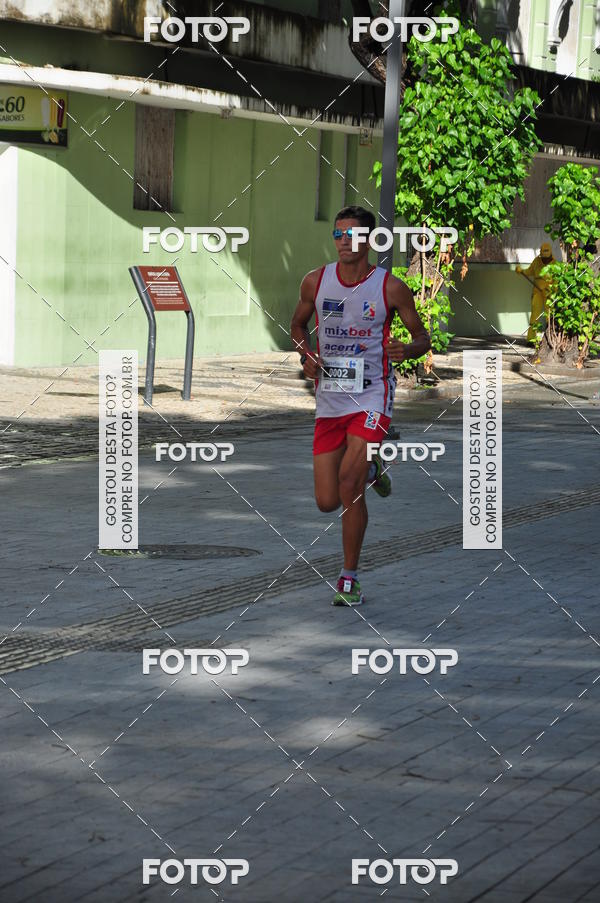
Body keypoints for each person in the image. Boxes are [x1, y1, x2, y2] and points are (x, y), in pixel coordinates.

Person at [290, 206, 431, 606]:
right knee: (326, 501)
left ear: (369, 241)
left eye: (352, 235)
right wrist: (307, 355)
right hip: (330, 398)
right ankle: (373, 467)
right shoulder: (316, 282)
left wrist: (408, 348)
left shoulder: (390, 288)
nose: (343, 242)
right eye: (338, 234)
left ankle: (348, 578)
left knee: (349, 486)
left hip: (373, 395)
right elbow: (297, 325)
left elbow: (423, 337)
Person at [516, 242, 555, 344]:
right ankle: (531, 339)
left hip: (549, 293)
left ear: (551, 254)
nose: (545, 260)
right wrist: (521, 271)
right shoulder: (537, 261)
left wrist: (553, 291)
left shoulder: (555, 264)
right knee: (535, 315)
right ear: (540, 254)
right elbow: (530, 271)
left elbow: (557, 281)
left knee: (550, 316)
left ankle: (551, 339)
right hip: (537, 291)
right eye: (544, 258)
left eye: (547, 258)